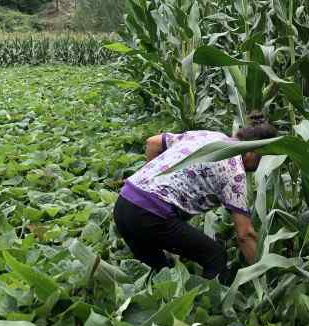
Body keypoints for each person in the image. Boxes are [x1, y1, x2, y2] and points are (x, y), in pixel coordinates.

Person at [113, 112, 278, 283]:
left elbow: (152, 142)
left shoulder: (209, 136)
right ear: (253, 151)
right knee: (215, 257)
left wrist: (152, 181)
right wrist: (264, 280)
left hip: (123, 203)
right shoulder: (234, 171)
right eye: (264, 159)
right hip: (150, 215)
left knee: (164, 274)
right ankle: (212, 305)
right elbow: (245, 235)